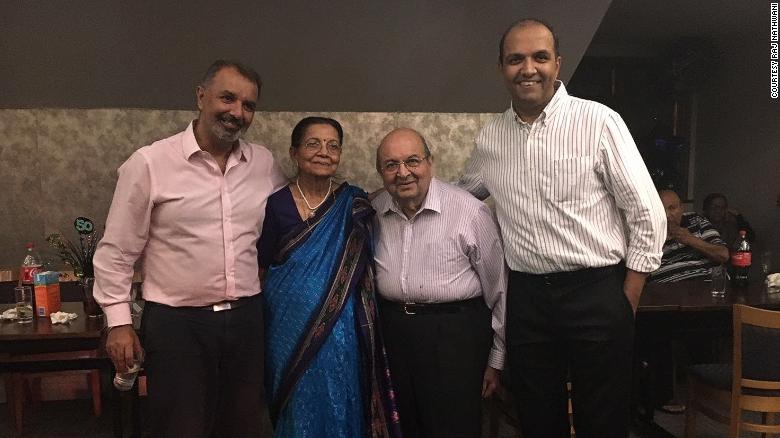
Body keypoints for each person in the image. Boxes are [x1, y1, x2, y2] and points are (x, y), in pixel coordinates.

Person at [458, 19, 667, 437]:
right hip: (528, 298)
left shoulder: (599, 122)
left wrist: (627, 297)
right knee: (537, 417)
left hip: (597, 292)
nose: (528, 68)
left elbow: (647, 212)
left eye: (540, 57)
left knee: (602, 419)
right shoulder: (491, 139)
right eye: (516, 59)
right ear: (502, 67)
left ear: (558, 64)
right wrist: (400, 190)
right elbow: (462, 196)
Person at [93, 60, 287, 438]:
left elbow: (284, 228)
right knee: (179, 427)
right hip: (178, 325)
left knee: (243, 425)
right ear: (201, 97)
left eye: (248, 105)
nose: (237, 112)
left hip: (247, 320)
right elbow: (117, 250)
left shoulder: (263, 164)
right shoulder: (149, 163)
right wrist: (118, 322)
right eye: (227, 98)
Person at [258, 117, 401, 438]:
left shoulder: (354, 204)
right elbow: (264, 267)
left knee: (341, 394)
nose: (324, 152)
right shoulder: (276, 204)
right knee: (295, 400)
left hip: (341, 330)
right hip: (286, 329)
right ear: (294, 153)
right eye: (313, 144)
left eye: (332, 146)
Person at [372, 128, 507, 438]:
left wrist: (497, 359)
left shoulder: (469, 211)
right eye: (391, 165)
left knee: (454, 428)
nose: (403, 172)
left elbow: (500, 290)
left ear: (430, 163)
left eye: (412, 161)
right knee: (402, 427)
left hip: (455, 338)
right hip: (394, 334)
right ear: (381, 172)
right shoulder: (375, 211)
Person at [650, 190, 729, 283]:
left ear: (681, 208)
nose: (667, 215)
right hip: (667, 288)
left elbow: (723, 255)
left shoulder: (696, 220)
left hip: (706, 283)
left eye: (672, 208)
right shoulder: (647, 230)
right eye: (661, 210)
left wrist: (690, 239)